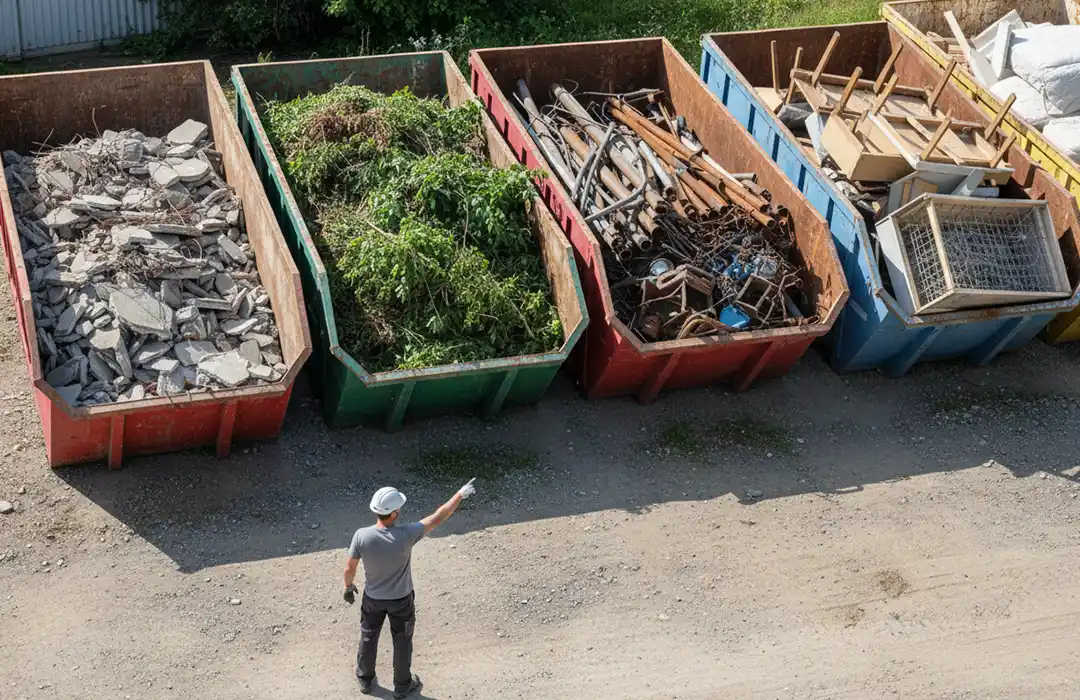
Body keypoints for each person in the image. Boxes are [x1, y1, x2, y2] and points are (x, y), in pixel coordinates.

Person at [343, 479, 476, 698]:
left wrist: (348, 587)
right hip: (401, 601)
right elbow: (439, 516)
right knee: (402, 640)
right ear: (394, 513)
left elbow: (349, 568)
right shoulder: (407, 534)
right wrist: (460, 494)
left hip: (373, 599)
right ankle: (402, 685)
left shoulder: (361, 535)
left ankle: (365, 680)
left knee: (368, 636)